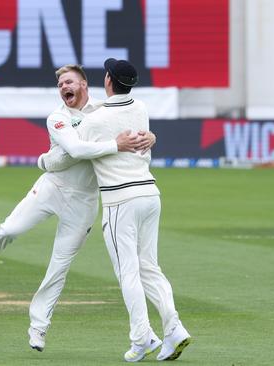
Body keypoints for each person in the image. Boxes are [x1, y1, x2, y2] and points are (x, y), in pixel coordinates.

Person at [0, 64, 156, 351]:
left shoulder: (103, 110)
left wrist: (151, 137)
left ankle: (38, 327)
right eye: (60, 85)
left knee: (59, 267)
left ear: (84, 84)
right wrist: (112, 145)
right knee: (10, 229)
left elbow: (132, 134)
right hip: (51, 188)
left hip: (84, 200)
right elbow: (76, 151)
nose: (63, 88)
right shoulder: (57, 118)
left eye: (69, 82)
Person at [39, 58, 191, 362]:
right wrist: (152, 137)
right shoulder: (141, 108)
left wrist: (43, 161)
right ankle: (173, 329)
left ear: (108, 80)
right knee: (149, 266)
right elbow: (144, 137)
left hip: (120, 199)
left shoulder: (95, 120)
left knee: (128, 272)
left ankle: (141, 339)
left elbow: (72, 153)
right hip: (150, 193)